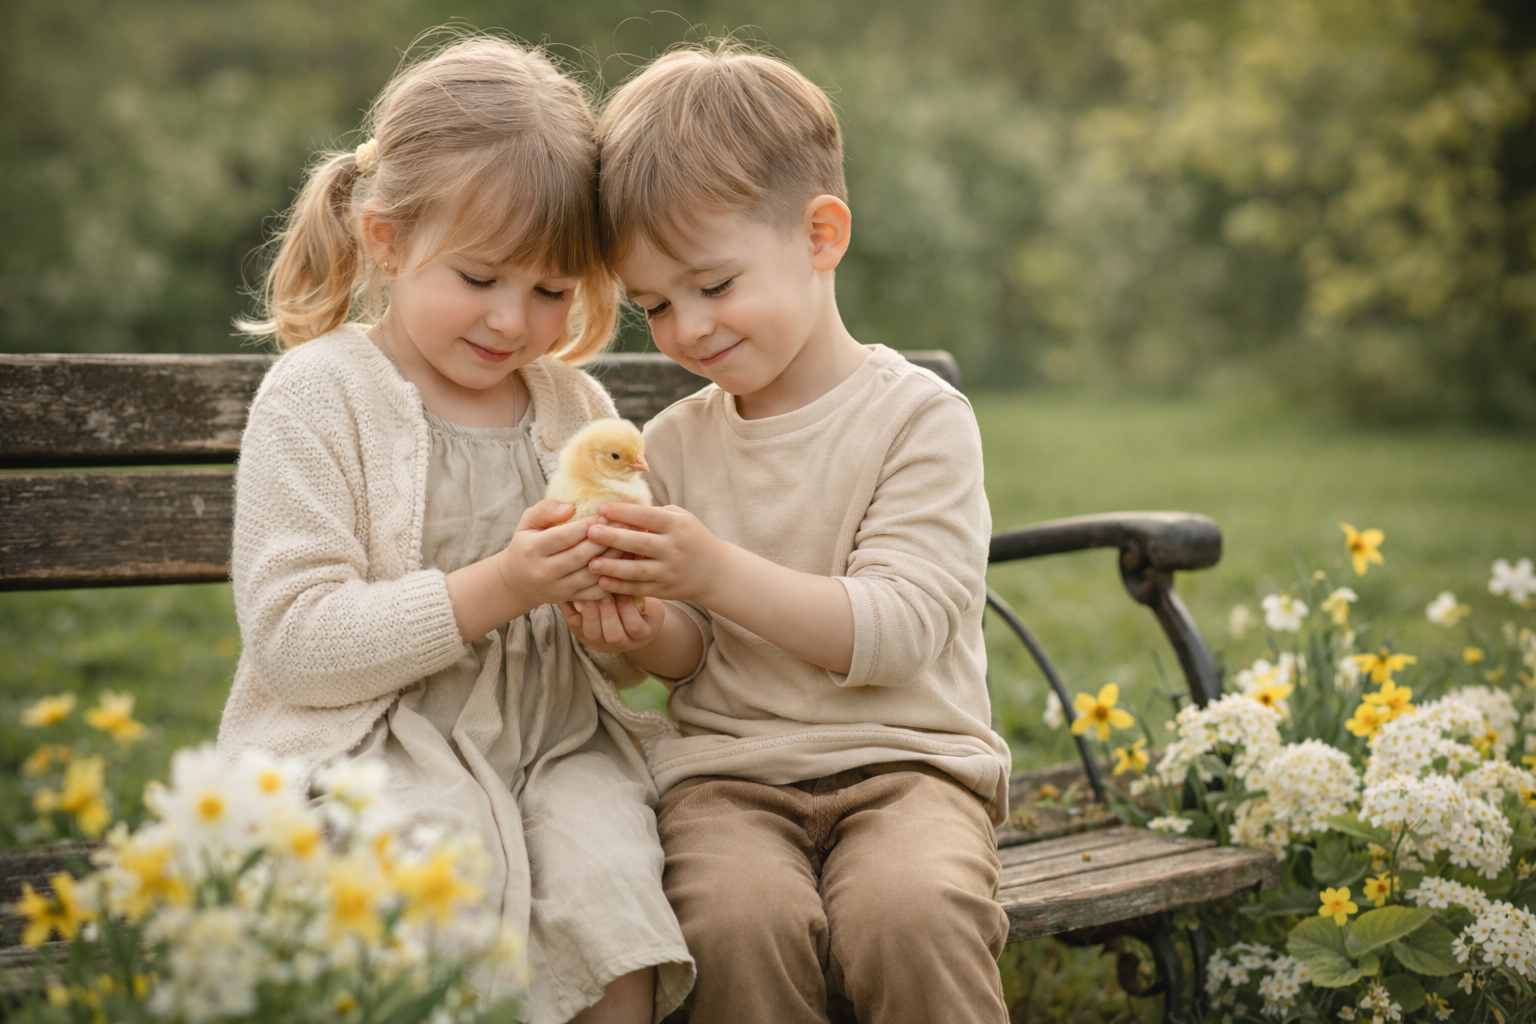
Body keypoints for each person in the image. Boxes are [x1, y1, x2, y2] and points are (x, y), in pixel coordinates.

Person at [216, 34, 693, 1024]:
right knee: (440, 884)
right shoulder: (319, 396)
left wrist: (621, 625)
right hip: (375, 749)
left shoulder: (573, 405)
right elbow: (296, 643)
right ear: (385, 240)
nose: (514, 321)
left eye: (552, 290)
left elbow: (617, 662)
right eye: (480, 277)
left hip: (559, 748)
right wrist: (502, 586)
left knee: (611, 888)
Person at [567, 43, 1013, 1024]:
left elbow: (896, 630)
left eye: (714, 285)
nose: (686, 328)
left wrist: (713, 567)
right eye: (654, 306)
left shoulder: (916, 419)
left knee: (912, 911)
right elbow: (690, 653)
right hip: (727, 778)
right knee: (731, 919)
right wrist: (637, 629)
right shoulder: (671, 442)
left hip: (909, 769)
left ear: (820, 235)